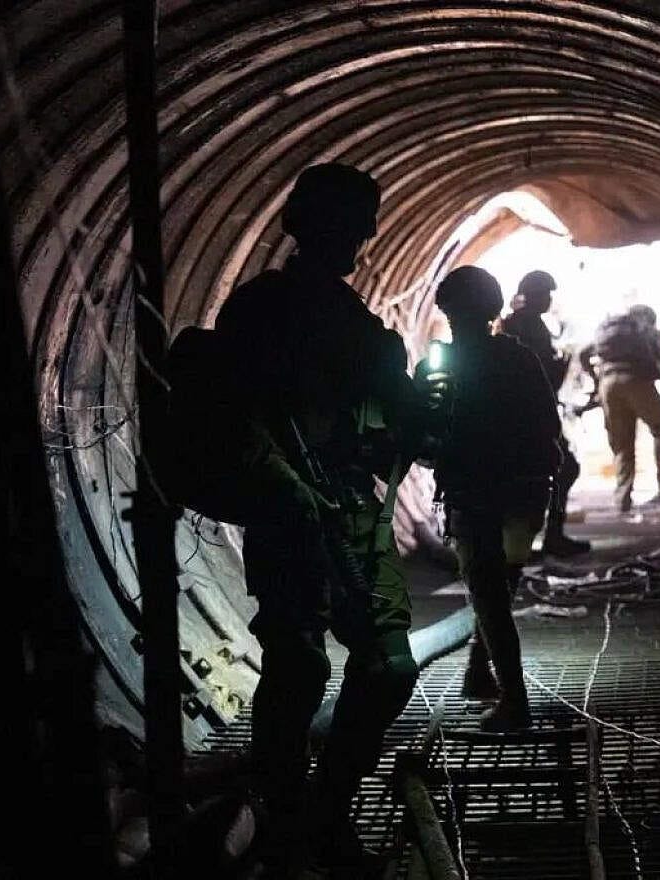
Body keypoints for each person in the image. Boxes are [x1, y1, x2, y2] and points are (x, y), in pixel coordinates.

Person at [212, 164, 425, 875]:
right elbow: (234, 413)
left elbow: (394, 421)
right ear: (313, 226)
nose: (364, 237)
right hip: (286, 508)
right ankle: (289, 816)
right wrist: (286, 488)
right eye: (355, 223)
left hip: (346, 510)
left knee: (385, 667)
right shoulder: (263, 311)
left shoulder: (346, 316)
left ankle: (323, 809)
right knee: (300, 665)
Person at [416, 266, 562, 731]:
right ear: (495, 308)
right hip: (524, 496)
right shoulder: (521, 359)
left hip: (476, 496)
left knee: (489, 594)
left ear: (446, 310)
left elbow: (422, 443)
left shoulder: (441, 369)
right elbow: (548, 428)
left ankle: (513, 701)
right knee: (501, 589)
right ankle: (480, 674)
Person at [500, 270, 591, 556]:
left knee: (537, 473)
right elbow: (537, 373)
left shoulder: (517, 323)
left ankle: (527, 538)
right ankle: (548, 536)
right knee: (563, 468)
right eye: (545, 294)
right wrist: (561, 364)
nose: (548, 299)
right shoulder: (529, 326)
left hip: (522, 413)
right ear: (532, 295)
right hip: (530, 415)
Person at [579, 305, 660, 513]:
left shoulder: (609, 330)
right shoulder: (644, 329)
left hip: (608, 385)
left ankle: (623, 499)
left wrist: (596, 379)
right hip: (638, 382)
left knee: (622, 443)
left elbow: (584, 353)